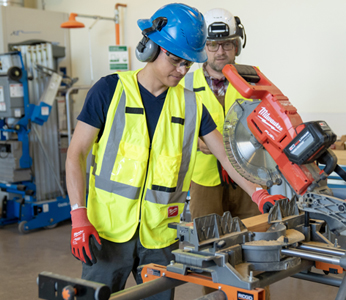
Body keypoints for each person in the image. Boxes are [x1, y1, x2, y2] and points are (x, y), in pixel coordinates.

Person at [66, 3, 284, 300]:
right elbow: (76, 153)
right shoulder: (109, 91)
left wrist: (258, 193)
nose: (182, 70)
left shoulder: (192, 105)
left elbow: (227, 158)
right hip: (107, 233)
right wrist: (79, 214)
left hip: (159, 238)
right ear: (151, 48)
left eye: (188, 64)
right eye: (176, 60)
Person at [180, 8, 260, 222]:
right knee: (209, 242)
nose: (220, 51)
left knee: (255, 235)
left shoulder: (254, 79)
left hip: (248, 175)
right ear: (203, 47)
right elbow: (171, 130)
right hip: (204, 179)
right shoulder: (184, 84)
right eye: (212, 44)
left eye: (227, 44)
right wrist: (195, 141)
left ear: (237, 46)